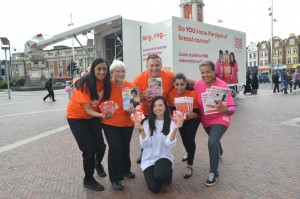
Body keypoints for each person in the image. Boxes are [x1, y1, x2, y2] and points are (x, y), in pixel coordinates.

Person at [66, 57, 112, 191]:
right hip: (76, 117)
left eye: (105, 69)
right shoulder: (84, 84)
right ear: (92, 69)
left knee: (101, 146)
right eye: (99, 69)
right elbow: (87, 109)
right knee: (89, 149)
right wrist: (102, 115)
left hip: (92, 117)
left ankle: (97, 164)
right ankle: (88, 179)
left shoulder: (106, 83)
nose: (102, 72)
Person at [194, 60, 236, 186]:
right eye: (203, 72)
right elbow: (188, 83)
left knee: (212, 142)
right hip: (206, 120)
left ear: (214, 72)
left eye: (208, 72)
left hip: (221, 118)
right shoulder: (198, 84)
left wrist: (226, 110)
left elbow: (232, 108)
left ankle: (214, 172)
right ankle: (218, 148)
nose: (205, 75)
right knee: (214, 141)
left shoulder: (222, 85)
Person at [134, 96, 183, 193]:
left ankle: (167, 173)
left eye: (160, 105)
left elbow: (169, 144)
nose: (158, 108)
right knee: (154, 188)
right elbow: (145, 144)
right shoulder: (146, 123)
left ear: (165, 107)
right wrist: (142, 130)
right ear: (152, 108)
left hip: (164, 156)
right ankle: (159, 173)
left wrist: (175, 129)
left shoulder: (171, 123)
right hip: (148, 159)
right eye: (155, 106)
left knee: (161, 175)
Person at [133, 54, 176, 164]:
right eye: (151, 65)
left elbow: (184, 79)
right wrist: (143, 96)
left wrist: (200, 83)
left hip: (161, 112)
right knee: (145, 134)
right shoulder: (139, 79)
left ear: (161, 65)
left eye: (157, 65)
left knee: (160, 133)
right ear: (146, 66)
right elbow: (131, 101)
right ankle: (144, 152)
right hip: (145, 112)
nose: (154, 68)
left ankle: (162, 154)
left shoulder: (169, 76)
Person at [101, 60, 136, 190]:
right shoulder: (107, 86)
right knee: (115, 148)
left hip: (127, 122)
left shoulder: (130, 86)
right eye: (118, 71)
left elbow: (135, 106)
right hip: (110, 122)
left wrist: (134, 109)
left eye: (123, 71)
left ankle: (126, 169)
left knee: (125, 146)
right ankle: (115, 178)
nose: (121, 74)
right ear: (111, 73)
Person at [166, 73, 200, 178]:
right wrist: (172, 117)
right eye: (177, 85)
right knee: (184, 140)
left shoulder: (192, 92)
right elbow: (171, 109)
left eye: (182, 84)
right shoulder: (171, 93)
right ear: (173, 84)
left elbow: (198, 111)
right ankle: (188, 152)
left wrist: (195, 114)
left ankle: (189, 165)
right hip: (181, 118)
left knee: (190, 139)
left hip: (193, 119)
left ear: (186, 84)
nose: (179, 87)